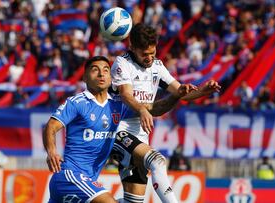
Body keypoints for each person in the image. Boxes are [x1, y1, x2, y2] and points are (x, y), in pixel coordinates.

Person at [43, 56, 195, 203]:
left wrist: (176, 96)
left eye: (106, 70)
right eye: (95, 70)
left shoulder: (117, 105)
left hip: (87, 180)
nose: (101, 73)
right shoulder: (77, 102)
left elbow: (154, 109)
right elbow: (51, 126)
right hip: (70, 176)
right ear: (85, 78)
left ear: (111, 78)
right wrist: (51, 152)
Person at [110, 23, 221, 203]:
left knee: (133, 201)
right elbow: (126, 95)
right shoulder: (122, 63)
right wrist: (142, 110)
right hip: (118, 130)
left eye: (152, 53)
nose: (149, 58)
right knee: (158, 161)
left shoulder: (157, 66)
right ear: (132, 48)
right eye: (144, 54)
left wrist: (203, 90)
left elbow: (182, 93)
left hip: (140, 137)